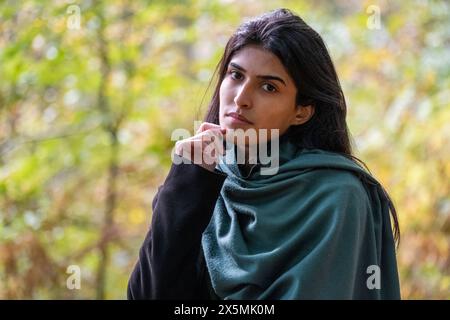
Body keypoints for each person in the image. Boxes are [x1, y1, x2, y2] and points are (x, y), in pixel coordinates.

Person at [127, 8, 401, 300]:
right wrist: (184, 184)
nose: (241, 98)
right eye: (236, 75)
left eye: (268, 87)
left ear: (301, 111)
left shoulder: (337, 197)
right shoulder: (206, 179)